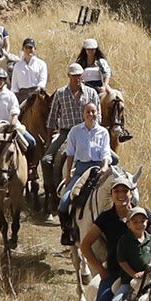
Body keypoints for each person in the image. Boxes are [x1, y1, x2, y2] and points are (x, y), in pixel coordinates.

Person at [56, 98, 114, 239]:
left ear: (97, 113)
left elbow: (106, 151)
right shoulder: (75, 131)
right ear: (83, 114)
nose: (91, 114)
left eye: (93, 111)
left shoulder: (103, 132)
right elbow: (70, 153)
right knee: (64, 202)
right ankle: (67, 231)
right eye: (88, 111)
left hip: (99, 169)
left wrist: (105, 166)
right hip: (81, 169)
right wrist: (69, 174)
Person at [9, 36, 48, 106]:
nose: (28, 50)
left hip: (36, 94)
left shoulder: (41, 64)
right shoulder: (17, 65)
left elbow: (43, 81)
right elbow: (14, 84)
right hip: (21, 96)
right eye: (26, 48)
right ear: (23, 49)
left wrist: (38, 90)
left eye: (31, 48)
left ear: (35, 49)